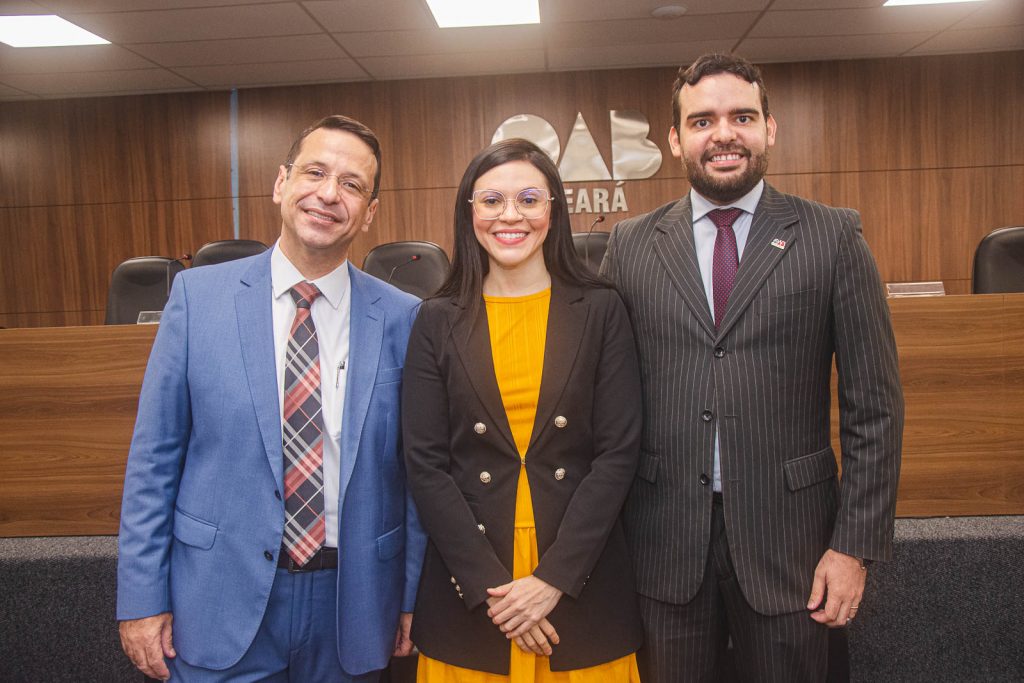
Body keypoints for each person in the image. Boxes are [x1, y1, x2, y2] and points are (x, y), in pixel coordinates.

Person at [600, 53, 904, 682]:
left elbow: (874, 408)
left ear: (770, 127)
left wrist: (853, 546)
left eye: (741, 116)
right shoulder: (629, 246)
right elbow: (604, 395)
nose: (724, 134)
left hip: (794, 547)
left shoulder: (832, 236)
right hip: (662, 545)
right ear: (676, 139)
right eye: (703, 120)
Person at [117, 114, 426, 682]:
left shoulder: (404, 318)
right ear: (282, 183)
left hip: (352, 602)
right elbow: (154, 460)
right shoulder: (198, 298)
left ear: (370, 212)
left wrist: (410, 594)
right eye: (315, 172)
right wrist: (140, 598)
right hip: (216, 596)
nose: (329, 194)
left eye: (352, 185)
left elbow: (416, 472)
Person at [402, 138, 644, 681]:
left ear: (553, 210)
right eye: (491, 201)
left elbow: (617, 454)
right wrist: (502, 597)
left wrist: (551, 582)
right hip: (473, 588)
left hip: (579, 580)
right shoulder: (436, 320)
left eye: (529, 198)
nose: (510, 215)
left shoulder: (602, 310)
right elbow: (425, 464)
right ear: (470, 213)